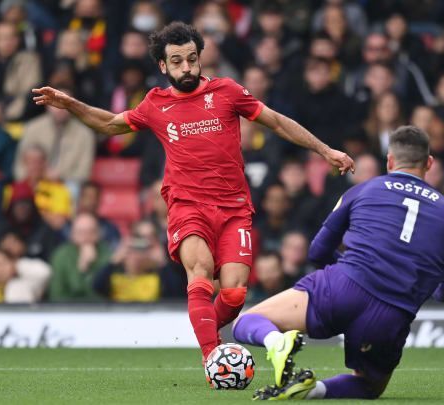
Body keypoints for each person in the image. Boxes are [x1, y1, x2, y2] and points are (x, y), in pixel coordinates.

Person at [31, 21, 354, 362]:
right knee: (199, 272)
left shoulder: (227, 91)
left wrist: (324, 150)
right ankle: (212, 356)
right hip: (188, 205)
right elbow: (111, 124)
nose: (185, 67)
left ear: (200, 58)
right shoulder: (154, 104)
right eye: (176, 61)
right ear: (162, 66)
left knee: (234, 293)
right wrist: (71, 105)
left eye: (191, 59)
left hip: (234, 207)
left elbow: (274, 121)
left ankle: (205, 330)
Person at [232, 126, 444, 400]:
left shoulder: (364, 189)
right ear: (428, 163)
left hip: (342, 287)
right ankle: (313, 392)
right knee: (369, 386)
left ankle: (276, 342)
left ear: (389, 160)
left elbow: (318, 251)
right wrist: (422, 288)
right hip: (392, 311)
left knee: (248, 321)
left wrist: (350, 269)